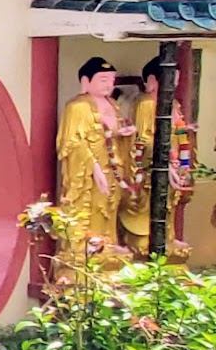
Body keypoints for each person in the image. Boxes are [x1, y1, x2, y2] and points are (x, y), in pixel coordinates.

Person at [56, 57, 127, 285]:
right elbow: (72, 142)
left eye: (112, 80)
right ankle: (85, 250)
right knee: (91, 207)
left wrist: (125, 134)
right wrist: (93, 167)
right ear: (86, 81)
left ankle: (107, 245)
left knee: (109, 207)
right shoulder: (77, 106)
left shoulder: (113, 105)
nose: (108, 85)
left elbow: (112, 135)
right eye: (103, 79)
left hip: (113, 166)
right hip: (87, 172)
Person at [121, 58, 195, 263]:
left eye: (177, 80)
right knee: (153, 197)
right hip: (151, 163)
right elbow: (144, 137)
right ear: (154, 80)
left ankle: (169, 236)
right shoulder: (146, 103)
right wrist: (164, 160)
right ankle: (147, 236)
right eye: (171, 80)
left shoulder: (175, 104)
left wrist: (182, 159)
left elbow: (179, 135)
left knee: (169, 201)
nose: (175, 85)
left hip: (174, 162)